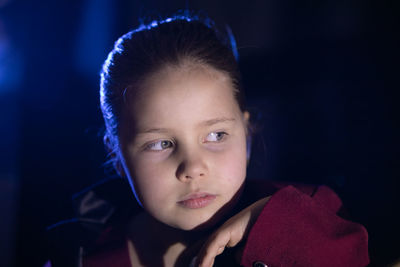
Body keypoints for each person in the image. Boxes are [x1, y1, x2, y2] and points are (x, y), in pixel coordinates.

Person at [47, 13, 369, 267]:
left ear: (246, 137)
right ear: (116, 155)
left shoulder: (312, 218)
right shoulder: (78, 255)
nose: (193, 167)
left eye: (216, 135)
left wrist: (272, 229)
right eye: (161, 143)